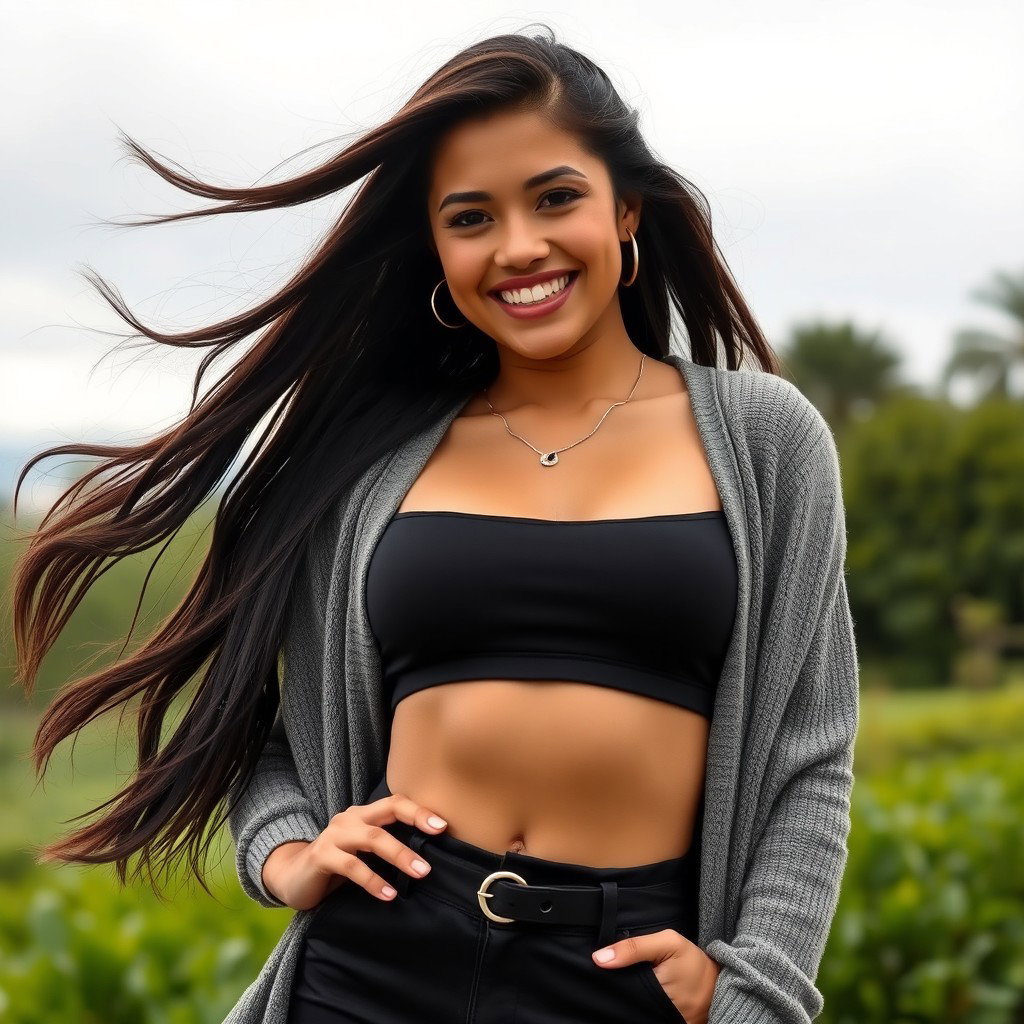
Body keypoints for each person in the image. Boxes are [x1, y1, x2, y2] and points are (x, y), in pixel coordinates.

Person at [12, 27, 858, 1024]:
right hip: (372, 969)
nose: (518, 247)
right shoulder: (374, 459)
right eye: (470, 218)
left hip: (621, 977)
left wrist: (754, 991)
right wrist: (286, 850)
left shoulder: (764, 441)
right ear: (438, 249)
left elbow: (811, 754)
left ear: (625, 208)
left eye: (554, 198)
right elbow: (259, 722)